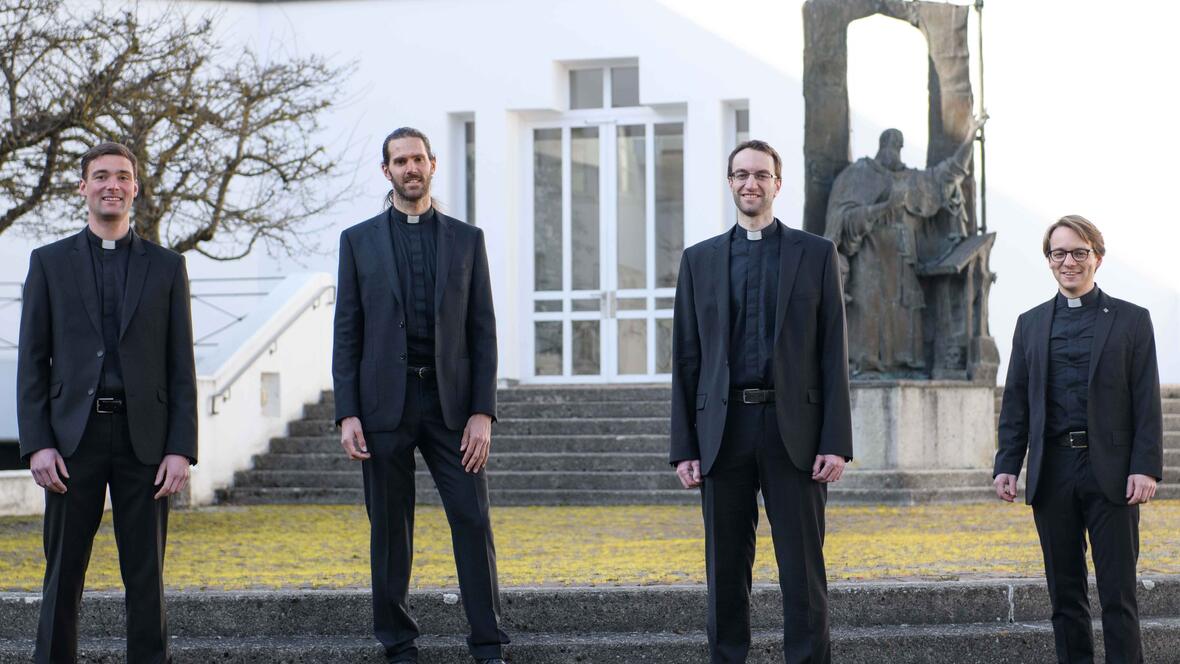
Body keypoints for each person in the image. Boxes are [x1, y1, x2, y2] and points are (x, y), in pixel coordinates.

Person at [670, 139, 853, 663]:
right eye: (741, 175)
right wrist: (684, 447)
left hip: (794, 431)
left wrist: (836, 441)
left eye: (761, 175)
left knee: (803, 573)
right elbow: (686, 358)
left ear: (777, 183)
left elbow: (832, 351)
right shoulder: (698, 261)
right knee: (725, 572)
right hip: (722, 432)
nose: (751, 183)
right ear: (730, 182)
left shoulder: (815, 254)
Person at [332, 127, 508, 664]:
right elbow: (347, 332)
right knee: (390, 530)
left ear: (432, 164)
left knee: (472, 520)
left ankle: (487, 644)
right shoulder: (357, 241)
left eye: (418, 159)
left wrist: (482, 412)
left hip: (452, 406)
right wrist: (347, 413)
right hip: (384, 405)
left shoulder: (467, 239)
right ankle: (398, 644)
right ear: (386, 171)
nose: (410, 168)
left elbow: (483, 331)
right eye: (399, 161)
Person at [17, 141, 197, 663]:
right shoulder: (48, 263)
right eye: (100, 176)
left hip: (148, 442)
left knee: (147, 576)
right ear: (83, 187)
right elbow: (33, 361)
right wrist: (38, 444)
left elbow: (180, 365)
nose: (111, 185)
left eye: (122, 176)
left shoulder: (167, 267)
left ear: (135, 187)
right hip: (72, 442)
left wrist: (181, 448)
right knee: (62, 573)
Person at [993, 215, 1162, 664]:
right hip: (1053, 472)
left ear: (1097, 258)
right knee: (1064, 596)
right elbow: (1016, 403)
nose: (1069, 261)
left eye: (1079, 252)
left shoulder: (1132, 320)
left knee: (1118, 595)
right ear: (1049, 260)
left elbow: (1146, 400)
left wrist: (1145, 467)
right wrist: (1007, 464)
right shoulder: (1029, 324)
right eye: (1059, 253)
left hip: (1113, 472)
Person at [824, 118, 983, 376]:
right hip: (869, 259)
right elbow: (843, 220)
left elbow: (948, 174)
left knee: (905, 313)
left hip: (905, 259)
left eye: (898, 146)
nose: (894, 151)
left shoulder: (911, 180)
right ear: (882, 145)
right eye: (890, 145)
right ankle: (866, 367)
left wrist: (970, 137)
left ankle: (905, 367)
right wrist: (885, 206)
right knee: (870, 313)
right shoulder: (859, 173)